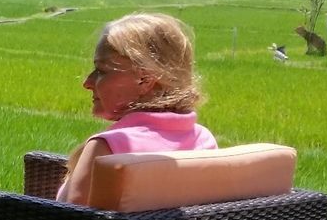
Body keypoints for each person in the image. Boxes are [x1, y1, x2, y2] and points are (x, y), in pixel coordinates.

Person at [58, 12, 216, 205]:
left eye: (101, 71)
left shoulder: (107, 148)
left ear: (145, 80)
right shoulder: (204, 141)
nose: (87, 82)